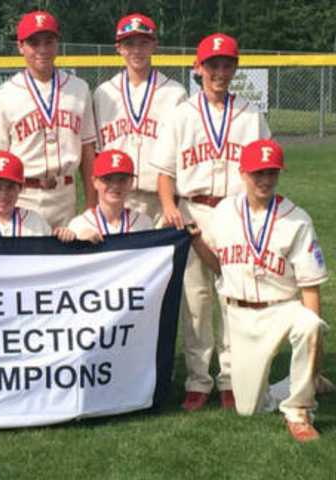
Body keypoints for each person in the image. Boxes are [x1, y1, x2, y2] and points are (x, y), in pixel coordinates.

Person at [150, 33, 271, 411]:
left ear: (234, 68)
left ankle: (232, 378)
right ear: (197, 68)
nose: (220, 71)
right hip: (193, 209)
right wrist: (170, 206)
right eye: (212, 64)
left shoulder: (250, 114)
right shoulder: (181, 114)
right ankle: (199, 379)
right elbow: (164, 172)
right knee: (197, 301)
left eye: (227, 64)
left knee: (233, 298)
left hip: (236, 212)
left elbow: (264, 168)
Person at [188, 139, 328, 442]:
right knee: (249, 409)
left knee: (310, 325)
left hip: (282, 308)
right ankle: (303, 381)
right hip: (239, 315)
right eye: (258, 173)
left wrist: (315, 346)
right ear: (242, 173)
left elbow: (311, 288)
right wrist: (198, 242)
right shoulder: (224, 212)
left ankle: (300, 410)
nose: (265, 180)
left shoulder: (296, 219)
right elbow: (219, 266)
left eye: (272, 173)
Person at [0, 10, 97, 228]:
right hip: (22, 196)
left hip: (65, 194)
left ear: (57, 44)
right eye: (34, 43)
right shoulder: (4, 94)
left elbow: (88, 151)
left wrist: (90, 205)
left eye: (48, 41)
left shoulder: (79, 89)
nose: (42, 49)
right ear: (20, 46)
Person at [93, 13, 187, 224]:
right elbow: (97, 151)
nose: (136, 50)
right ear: (118, 48)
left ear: (155, 45)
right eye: (129, 44)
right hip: (115, 197)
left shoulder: (174, 93)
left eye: (143, 43)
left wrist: (172, 201)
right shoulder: (104, 93)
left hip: (159, 198)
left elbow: (180, 154)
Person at [59, 149, 153, 243]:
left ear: (131, 182)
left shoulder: (143, 223)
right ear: (95, 182)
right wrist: (79, 242)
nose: (115, 185)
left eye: (122, 179)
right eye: (107, 179)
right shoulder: (79, 224)